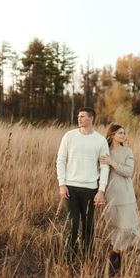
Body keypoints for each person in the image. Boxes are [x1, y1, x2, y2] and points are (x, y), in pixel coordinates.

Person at [56, 107, 110, 263]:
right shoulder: (69, 136)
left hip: (90, 189)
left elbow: (104, 166)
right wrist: (62, 184)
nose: (79, 119)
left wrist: (101, 190)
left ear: (91, 118)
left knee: (88, 226)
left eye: (83, 116)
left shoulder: (100, 140)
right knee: (72, 225)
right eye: (78, 116)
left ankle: (88, 260)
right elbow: (60, 160)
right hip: (70, 188)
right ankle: (69, 260)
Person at [100, 124, 140, 276]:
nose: (123, 135)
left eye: (124, 133)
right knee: (116, 228)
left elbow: (128, 172)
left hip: (126, 195)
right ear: (111, 135)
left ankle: (114, 260)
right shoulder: (104, 151)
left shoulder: (127, 151)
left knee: (126, 229)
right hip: (111, 196)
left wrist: (112, 163)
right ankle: (117, 269)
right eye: (120, 132)